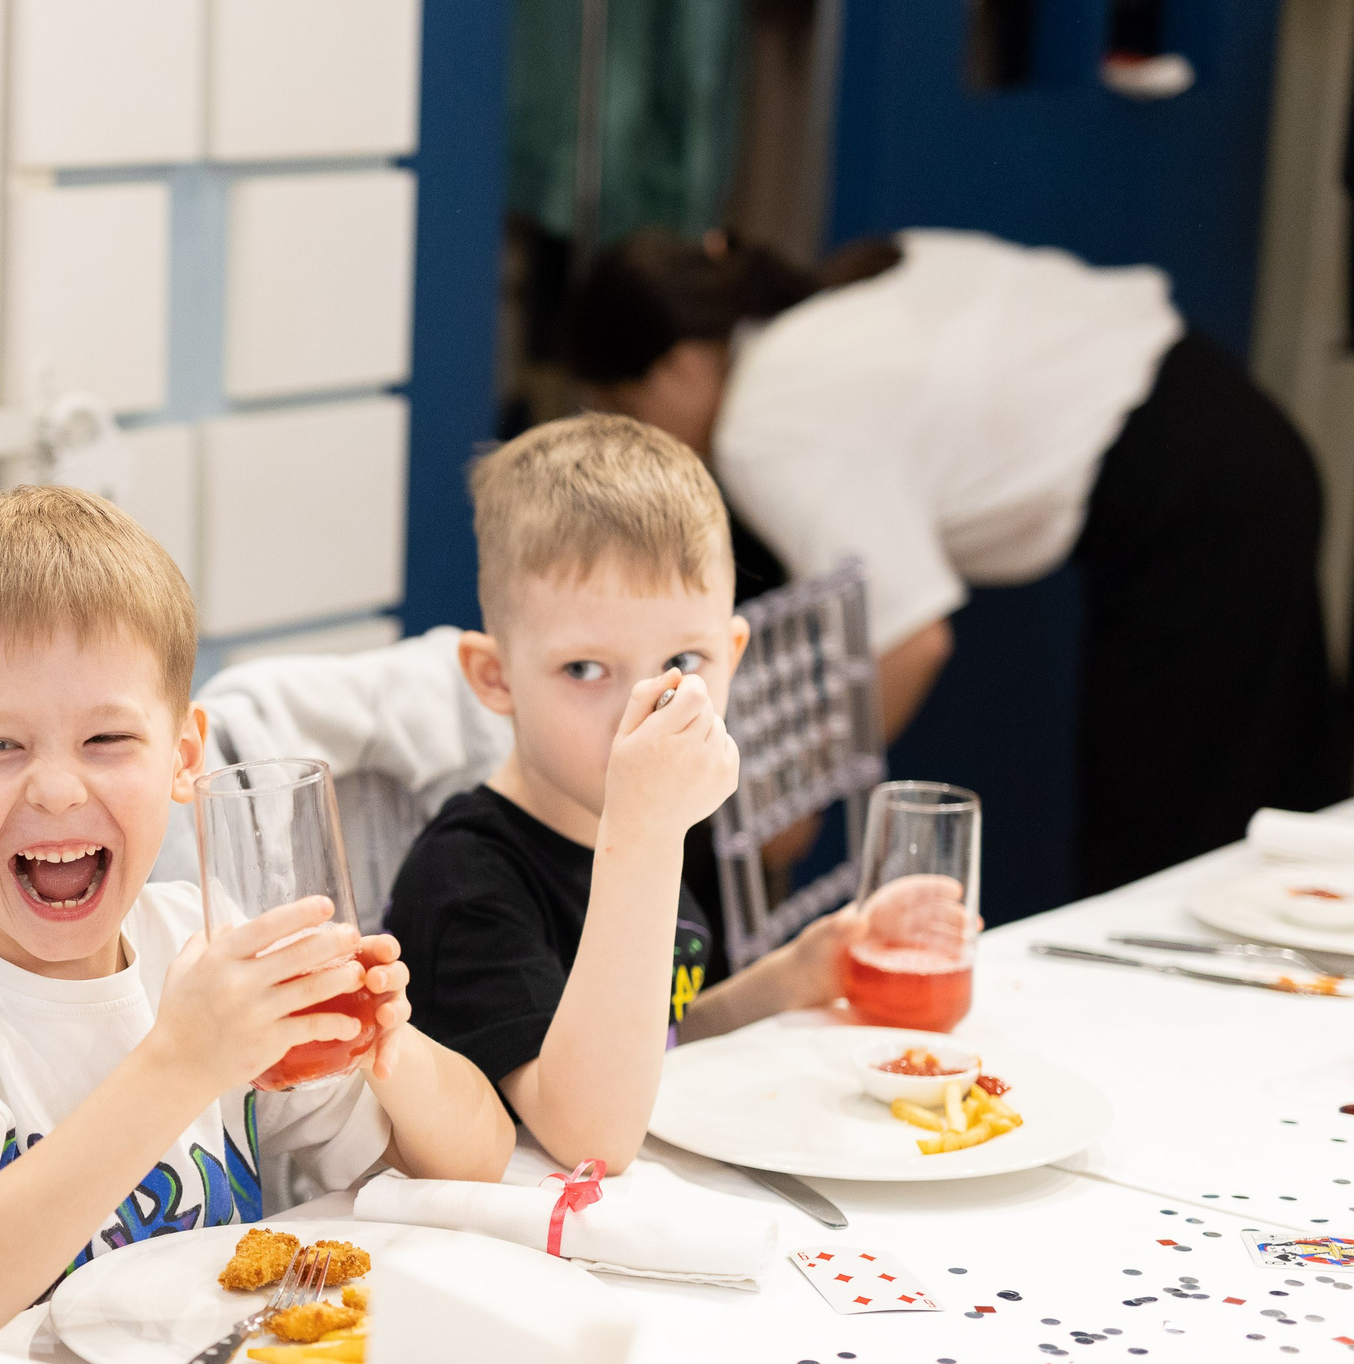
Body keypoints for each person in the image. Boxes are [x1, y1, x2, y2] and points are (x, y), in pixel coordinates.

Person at [0, 487, 516, 1364]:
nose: (54, 787)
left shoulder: (200, 948)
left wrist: (396, 1054)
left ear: (186, 758)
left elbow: (476, 1160)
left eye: (107, 739)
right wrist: (181, 1062)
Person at [566, 226, 1345, 894]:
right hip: (1240, 448)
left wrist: (791, 805)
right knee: (1264, 806)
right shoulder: (825, 305)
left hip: (1198, 505)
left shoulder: (762, 421)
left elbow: (913, 638)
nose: (651, 442)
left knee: (1175, 849)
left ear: (676, 368)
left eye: (632, 412)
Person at [383, 415, 858, 1174]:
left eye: (683, 658)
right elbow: (590, 1136)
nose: (648, 704)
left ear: (732, 656)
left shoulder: (644, 823)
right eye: (584, 670)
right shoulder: (468, 881)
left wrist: (791, 978)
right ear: (495, 677)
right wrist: (646, 834)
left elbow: (651, 1043)